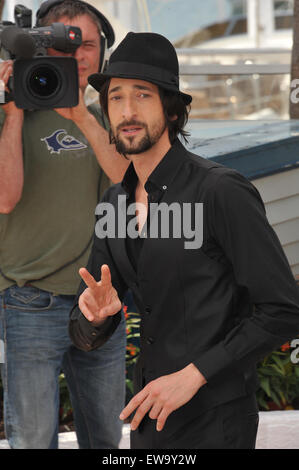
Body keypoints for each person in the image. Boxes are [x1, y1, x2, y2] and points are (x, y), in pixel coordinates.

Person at [69, 31, 299, 449]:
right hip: (149, 419)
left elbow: (283, 310)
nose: (127, 111)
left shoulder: (221, 192)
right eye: (116, 98)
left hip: (217, 421)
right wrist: (97, 316)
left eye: (142, 95)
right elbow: (86, 327)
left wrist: (195, 374)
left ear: (172, 111)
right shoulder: (114, 203)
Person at [0, 0, 129, 449]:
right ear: (36, 49)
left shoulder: (109, 114)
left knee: (106, 439)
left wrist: (82, 118)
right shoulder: (7, 114)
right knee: (33, 440)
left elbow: (126, 183)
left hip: (98, 299)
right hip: (28, 300)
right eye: (59, 45)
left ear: (101, 54)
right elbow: (5, 197)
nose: (74, 56)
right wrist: (14, 110)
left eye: (86, 45)